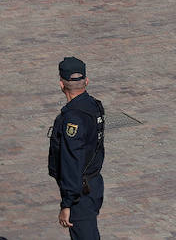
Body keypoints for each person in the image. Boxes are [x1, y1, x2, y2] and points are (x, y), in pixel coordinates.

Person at [48, 56, 104, 239]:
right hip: (94, 183)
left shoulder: (72, 119)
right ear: (86, 81)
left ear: (61, 85)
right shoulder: (94, 106)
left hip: (80, 193)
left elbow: (72, 162)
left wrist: (67, 204)